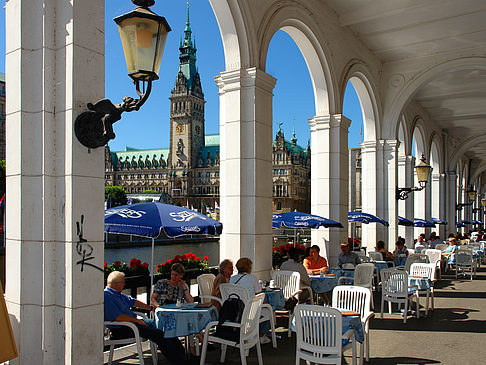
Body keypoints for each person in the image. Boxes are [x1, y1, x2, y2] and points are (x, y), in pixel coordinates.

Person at [104, 271, 190, 365]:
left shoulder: (118, 294)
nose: (124, 285)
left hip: (132, 323)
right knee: (158, 334)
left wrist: (151, 308)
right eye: (123, 283)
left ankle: (183, 356)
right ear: (117, 284)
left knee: (164, 326)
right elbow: (118, 317)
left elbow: (133, 302)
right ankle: (180, 361)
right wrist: (135, 320)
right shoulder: (107, 296)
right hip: (122, 328)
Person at [230, 257, 271, 345]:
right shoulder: (252, 278)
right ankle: (261, 334)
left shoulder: (232, 279)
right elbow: (259, 295)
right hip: (250, 311)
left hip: (236, 311)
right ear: (249, 268)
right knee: (267, 310)